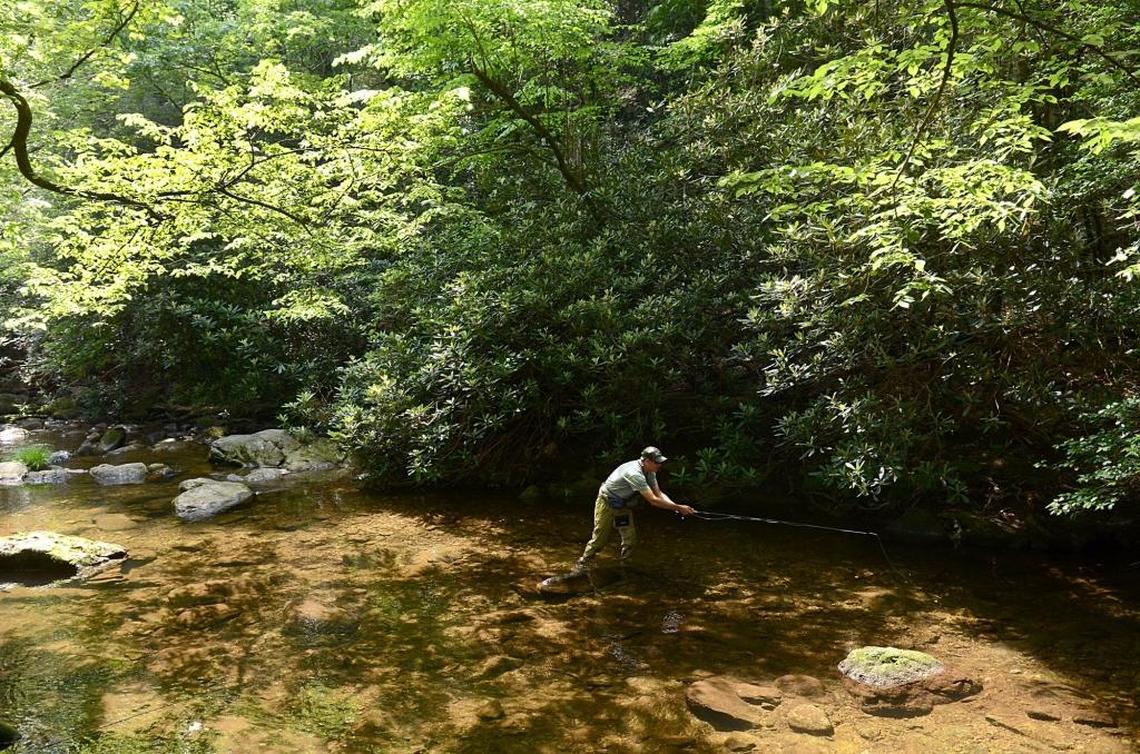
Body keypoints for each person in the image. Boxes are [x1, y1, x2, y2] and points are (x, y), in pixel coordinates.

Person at [575, 446, 694, 572]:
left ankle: (624, 568)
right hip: (607, 505)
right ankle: (583, 563)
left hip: (622, 507)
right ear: (647, 461)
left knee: (630, 540)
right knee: (599, 540)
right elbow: (653, 500)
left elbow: (658, 494)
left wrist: (676, 507)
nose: (659, 465)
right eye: (657, 462)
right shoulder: (634, 473)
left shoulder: (650, 471)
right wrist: (678, 508)